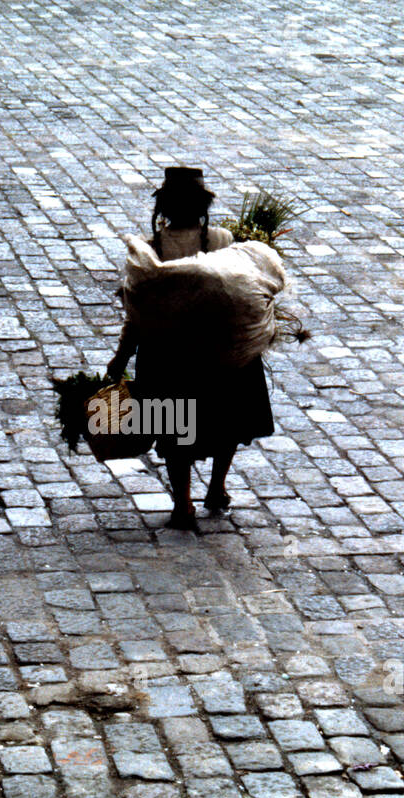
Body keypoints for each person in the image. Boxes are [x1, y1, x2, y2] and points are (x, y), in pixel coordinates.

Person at [106, 167, 276, 530]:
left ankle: (182, 503)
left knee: (173, 427)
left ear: (163, 209)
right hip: (222, 354)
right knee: (226, 422)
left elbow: (137, 317)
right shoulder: (223, 239)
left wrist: (119, 359)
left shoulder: (148, 253)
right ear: (203, 207)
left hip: (169, 357)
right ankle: (217, 488)